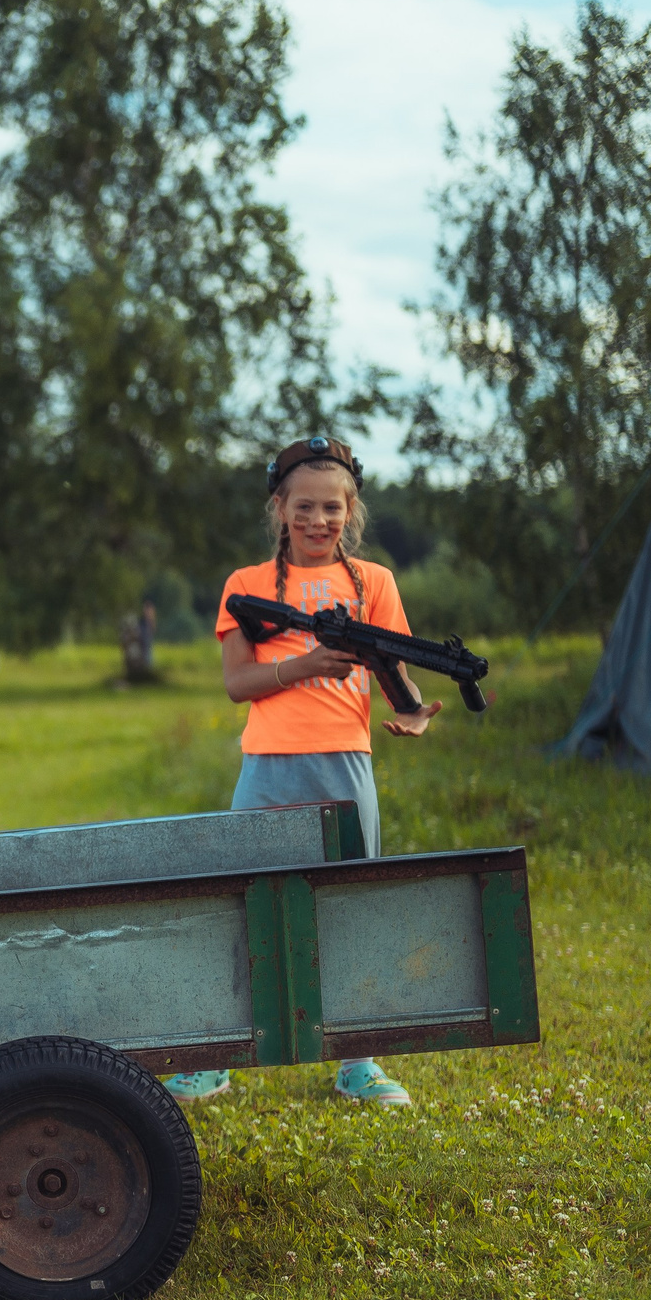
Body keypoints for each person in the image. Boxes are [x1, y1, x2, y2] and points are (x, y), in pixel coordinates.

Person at [163, 435, 439, 1108]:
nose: (319, 521)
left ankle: (359, 1062)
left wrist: (416, 713)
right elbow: (237, 683)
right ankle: (214, 1056)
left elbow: (394, 668)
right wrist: (304, 666)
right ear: (279, 507)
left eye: (333, 508)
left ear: (352, 511)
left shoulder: (374, 583)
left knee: (351, 905)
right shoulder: (247, 587)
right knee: (239, 905)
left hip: (346, 764)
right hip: (267, 766)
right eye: (305, 507)